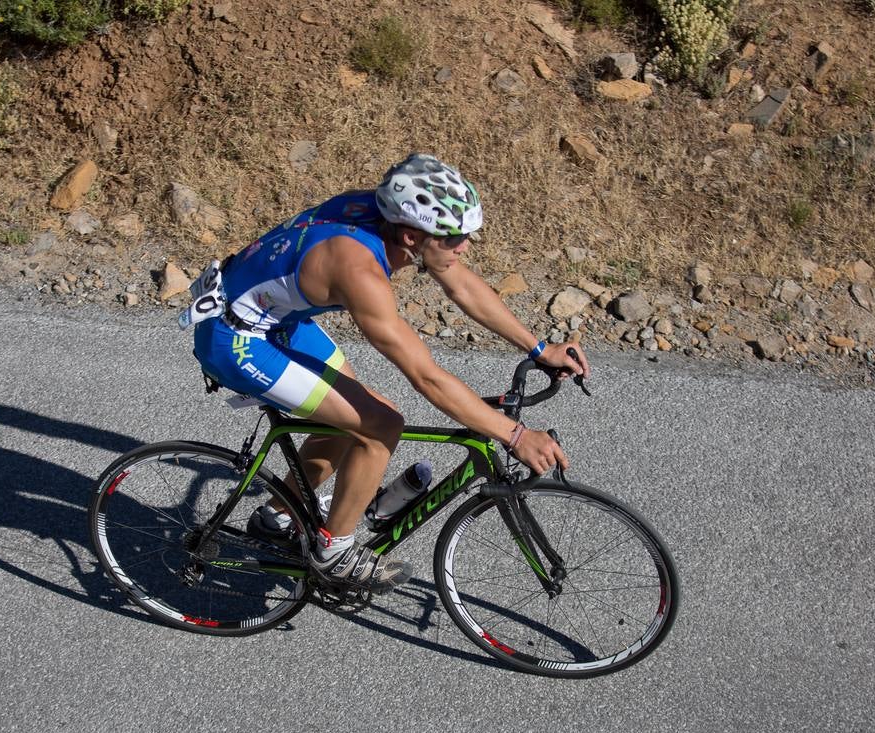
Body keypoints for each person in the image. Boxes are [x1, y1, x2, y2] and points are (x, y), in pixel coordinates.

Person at [189, 153, 589, 591]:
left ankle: (277, 516)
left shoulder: (380, 215)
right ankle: (334, 552)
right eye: (454, 237)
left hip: (272, 317)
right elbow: (427, 376)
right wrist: (513, 434)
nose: (465, 246)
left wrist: (540, 348)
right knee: (380, 427)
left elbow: (459, 283)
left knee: (360, 414)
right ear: (410, 235)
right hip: (236, 340)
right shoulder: (359, 271)